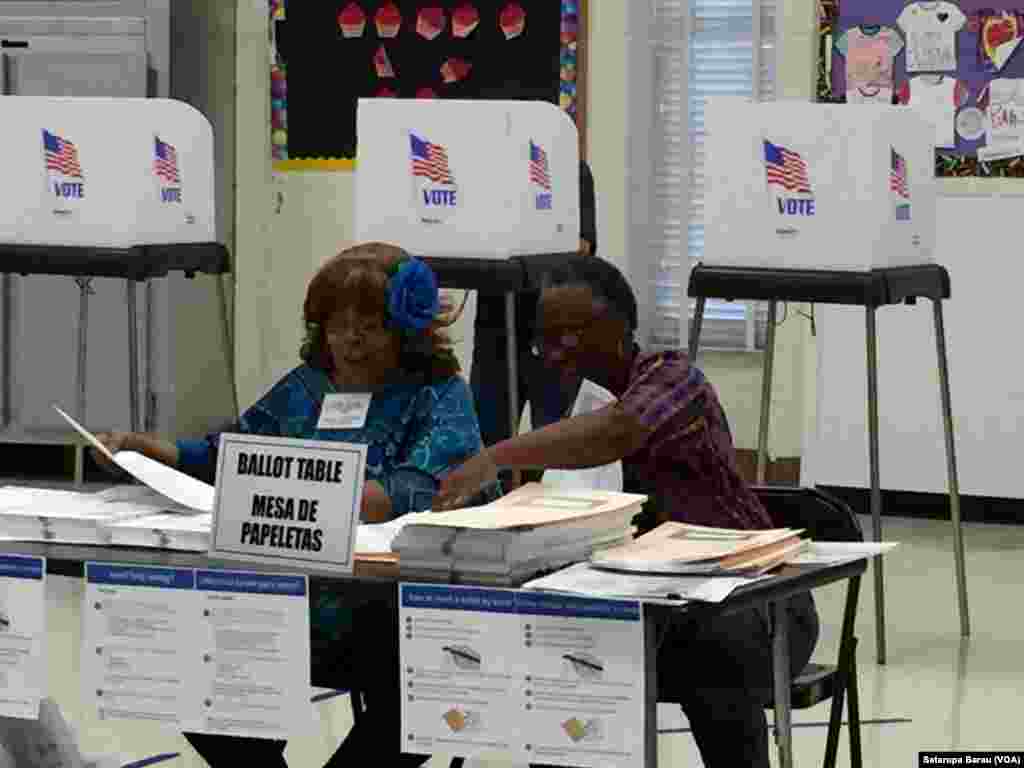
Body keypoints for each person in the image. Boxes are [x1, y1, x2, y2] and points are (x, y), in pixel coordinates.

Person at [93, 242, 492, 768]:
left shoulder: (439, 395)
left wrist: (287, 488)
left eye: (369, 324)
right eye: (336, 323)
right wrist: (150, 450)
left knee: (431, 686)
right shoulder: (308, 387)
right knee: (178, 659)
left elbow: (407, 493)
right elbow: (229, 453)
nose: (349, 339)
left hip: (400, 615)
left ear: (407, 328)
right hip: (300, 604)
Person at [436, 256, 820, 768]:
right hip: (635, 608)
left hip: (755, 600)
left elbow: (616, 432)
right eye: (542, 340)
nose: (550, 355)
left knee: (713, 650)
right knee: (554, 656)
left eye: (565, 337)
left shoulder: (674, 377)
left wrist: (496, 457)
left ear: (616, 328)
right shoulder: (560, 411)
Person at [471, 82, 597, 468]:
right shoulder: (487, 175)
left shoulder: (571, 172)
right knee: (485, 446)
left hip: (555, 331)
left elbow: (583, 246)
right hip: (495, 329)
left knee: (556, 450)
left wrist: (522, 240)